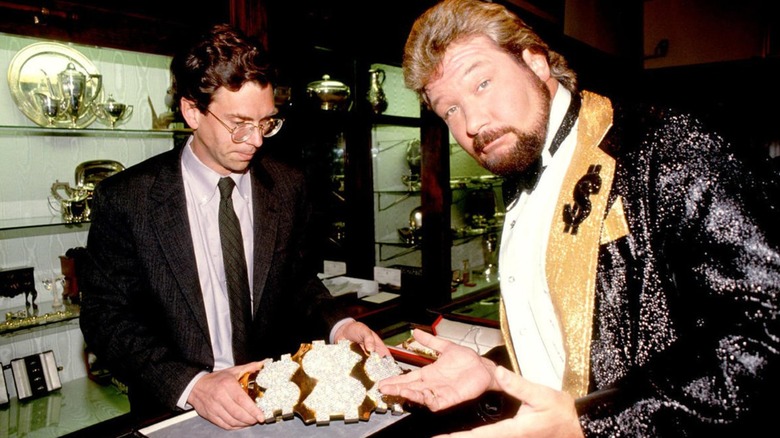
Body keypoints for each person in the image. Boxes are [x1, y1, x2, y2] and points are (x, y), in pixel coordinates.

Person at [379, 0, 780, 436]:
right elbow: (569, 351)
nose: (472, 123)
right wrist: (494, 374)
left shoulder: (667, 149)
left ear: (535, 62)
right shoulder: (516, 169)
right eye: (449, 110)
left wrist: (591, 423)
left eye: (482, 83)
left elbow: (764, 336)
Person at [79, 23, 390, 430]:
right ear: (192, 111)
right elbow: (106, 320)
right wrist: (192, 385)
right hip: (178, 411)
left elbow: (296, 282)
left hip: (278, 404)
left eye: (266, 123)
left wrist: (340, 325)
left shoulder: (286, 184)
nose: (256, 140)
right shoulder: (127, 199)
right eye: (239, 123)